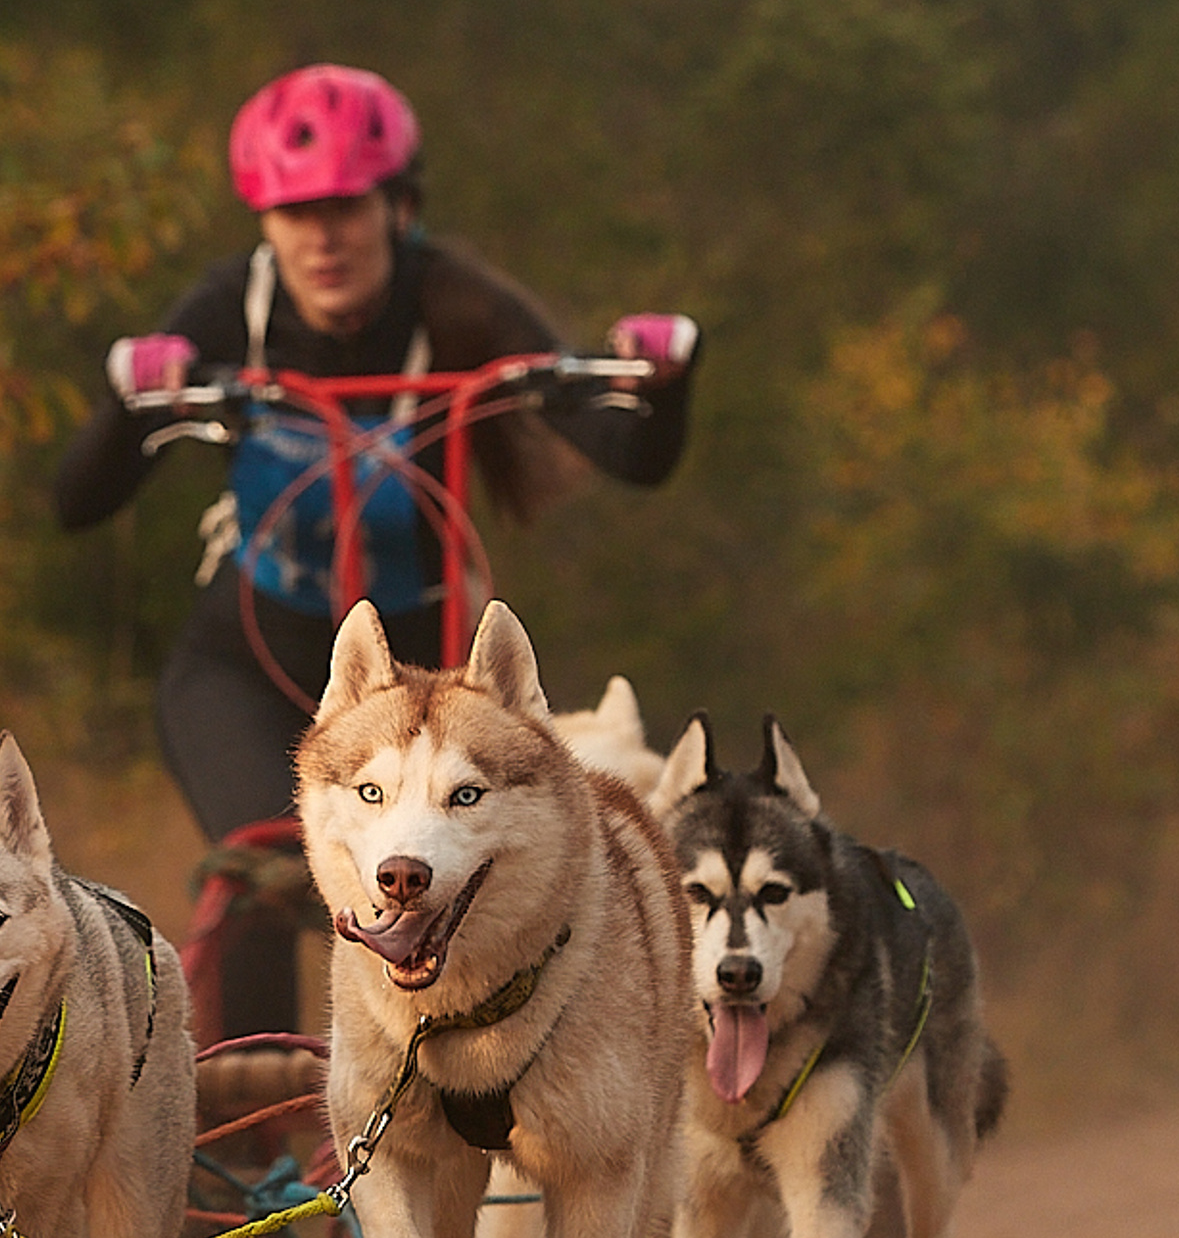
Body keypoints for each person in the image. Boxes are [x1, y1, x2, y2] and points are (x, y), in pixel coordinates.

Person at [53, 63, 699, 1042]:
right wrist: (126, 393)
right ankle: (262, 1147)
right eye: (294, 210)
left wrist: (663, 381)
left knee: (486, 874)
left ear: (397, 205)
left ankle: (500, 1092)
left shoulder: (458, 302)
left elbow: (628, 454)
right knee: (258, 877)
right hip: (246, 660)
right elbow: (78, 500)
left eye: (346, 206)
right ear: (264, 221)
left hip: (434, 673)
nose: (322, 235)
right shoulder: (237, 306)